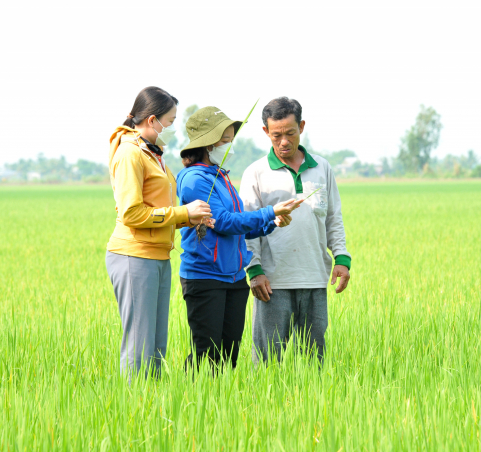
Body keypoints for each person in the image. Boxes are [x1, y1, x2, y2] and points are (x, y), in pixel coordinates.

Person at [176, 106, 303, 371]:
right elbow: (223, 222)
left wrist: (270, 223)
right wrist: (269, 210)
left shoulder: (221, 178)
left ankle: (220, 406)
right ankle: (191, 404)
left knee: (228, 355)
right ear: (208, 144)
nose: (229, 146)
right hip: (205, 277)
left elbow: (239, 228)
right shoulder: (194, 180)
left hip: (233, 278)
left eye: (230, 139)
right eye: (224, 140)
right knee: (207, 356)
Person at [105, 86, 213, 379]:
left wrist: (190, 219)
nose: (171, 127)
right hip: (134, 255)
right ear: (152, 119)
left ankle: (150, 407)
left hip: (158, 255)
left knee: (156, 346)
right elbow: (131, 213)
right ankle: (133, 408)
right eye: (169, 120)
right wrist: (182, 213)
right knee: (139, 345)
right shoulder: (130, 153)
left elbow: (158, 207)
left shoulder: (152, 153)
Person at [239, 97, 352, 365]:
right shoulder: (255, 173)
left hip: (314, 277)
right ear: (266, 132)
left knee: (314, 361)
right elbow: (248, 227)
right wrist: (254, 271)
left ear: (301, 126)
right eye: (276, 135)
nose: (284, 142)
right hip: (272, 282)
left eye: (290, 133)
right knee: (267, 362)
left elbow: (333, 217)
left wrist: (342, 258)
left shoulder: (321, 167)